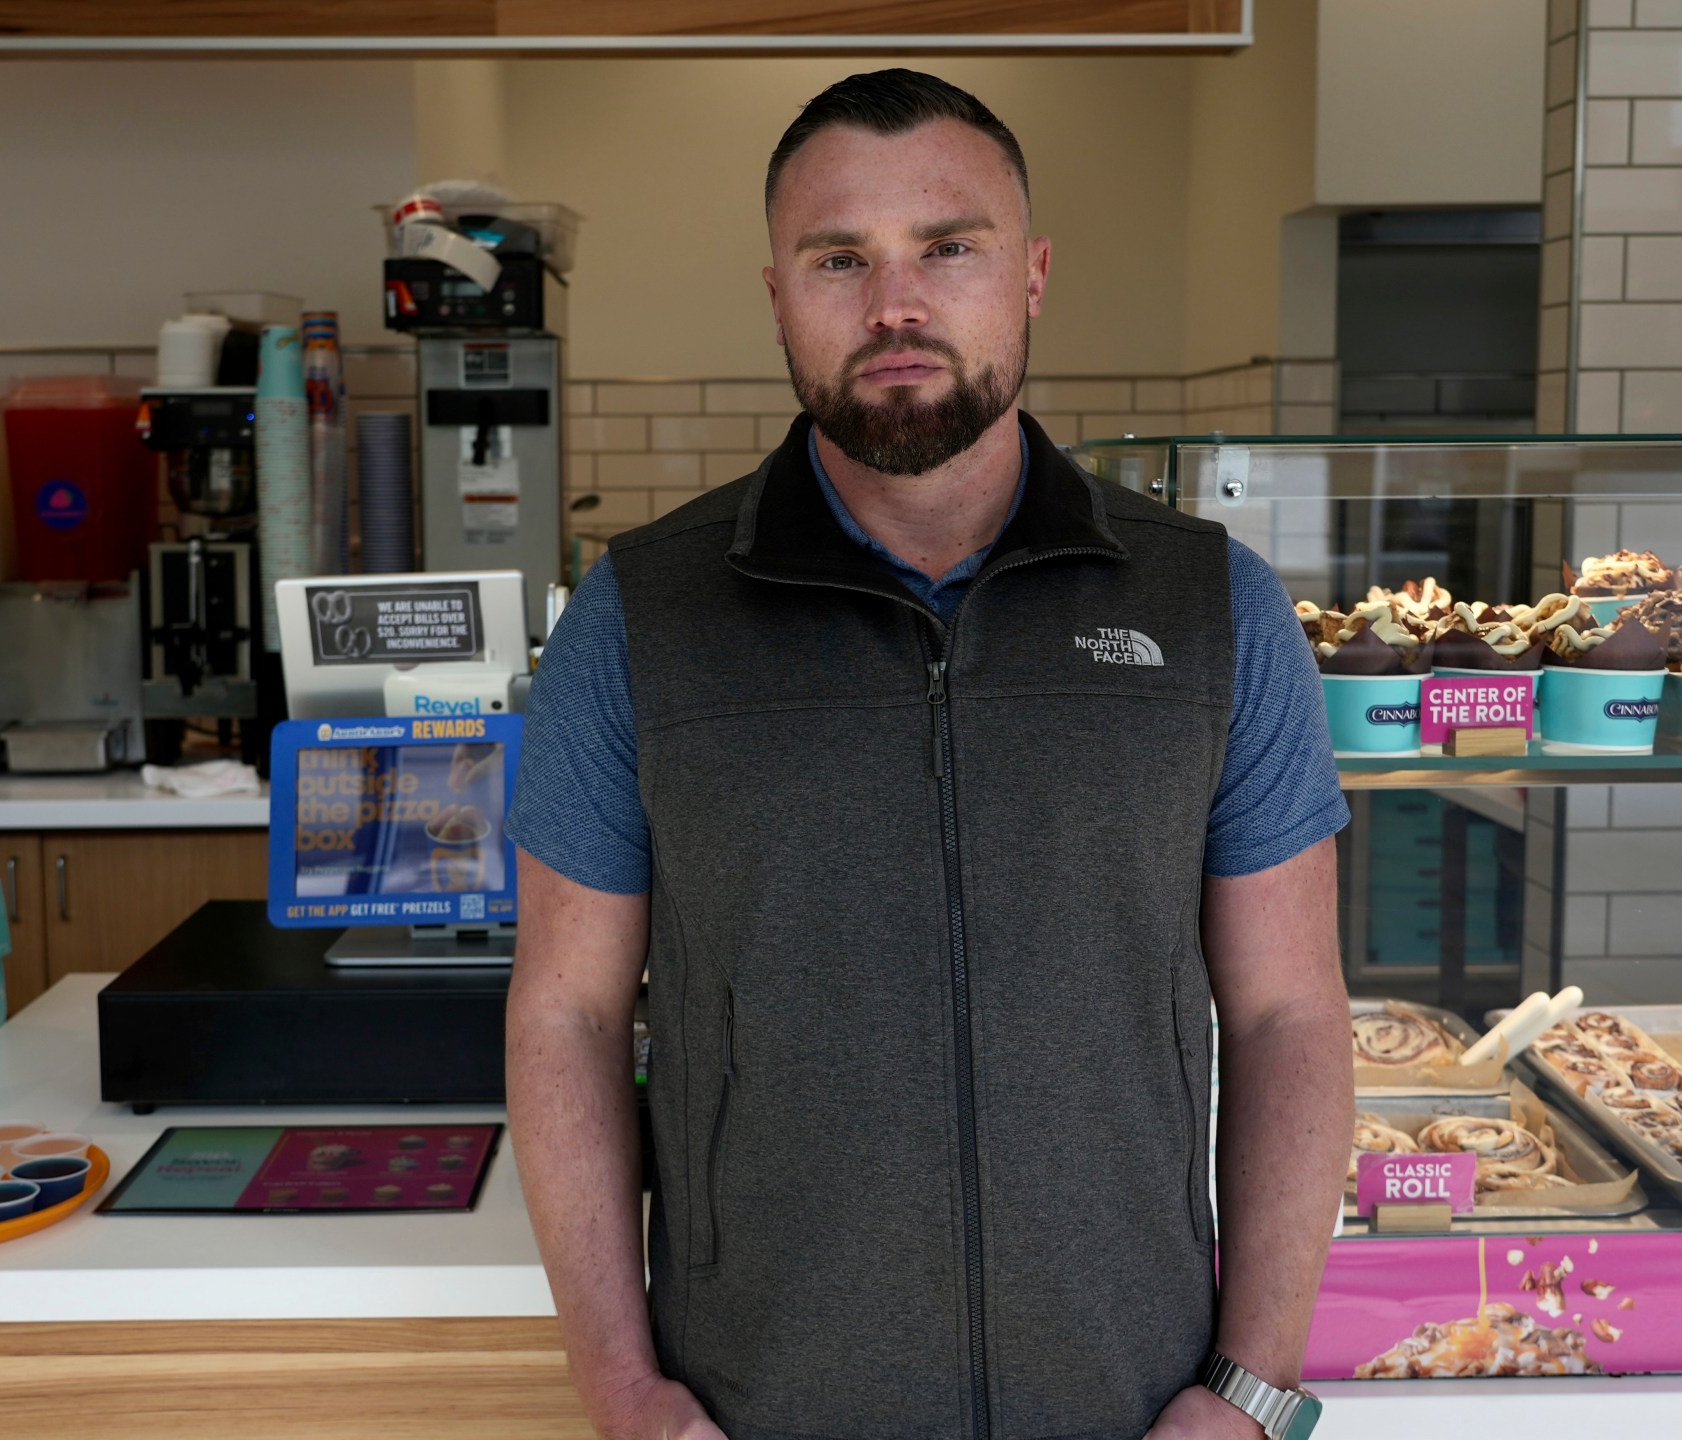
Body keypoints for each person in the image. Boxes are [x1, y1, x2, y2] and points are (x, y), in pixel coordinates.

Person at [507, 68, 1354, 1440]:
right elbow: (568, 1016)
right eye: (838, 258)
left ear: (1030, 275)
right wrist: (623, 1394)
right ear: (777, 292)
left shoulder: (1210, 609)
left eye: (947, 247)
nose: (894, 304)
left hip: (1128, 1404)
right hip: (760, 1404)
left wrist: (1250, 1392)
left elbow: (1289, 1017)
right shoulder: (640, 618)